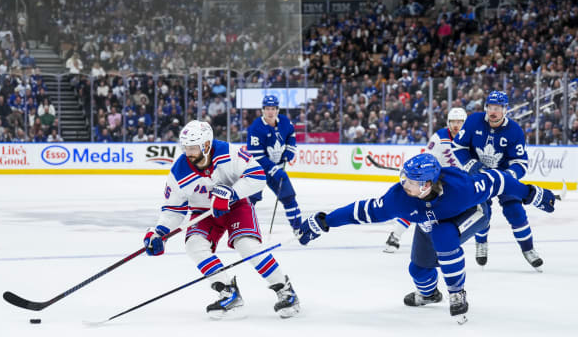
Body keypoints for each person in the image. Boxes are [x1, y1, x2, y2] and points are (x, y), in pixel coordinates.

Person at [296, 153, 557, 323]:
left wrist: (531, 193)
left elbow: (499, 180)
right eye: (404, 177)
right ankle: (430, 294)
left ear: (427, 185)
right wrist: (325, 222)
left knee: (444, 236)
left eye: (410, 181)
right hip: (432, 220)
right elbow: (363, 211)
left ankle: (456, 292)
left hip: (474, 212)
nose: (403, 183)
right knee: (418, 269)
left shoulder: (463, 189)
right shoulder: (399, 197)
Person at [143, 120, 300, 319]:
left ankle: (285, 290)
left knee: (247, 246)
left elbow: (258, 176)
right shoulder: (178, 172)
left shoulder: (229, 153)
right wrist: (159, 232)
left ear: (207, 145)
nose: (188, 152)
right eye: (185, 147)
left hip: (237, 206)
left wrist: (231, 193)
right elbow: (173, 209)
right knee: (194, 246)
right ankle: (228, 291)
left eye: (193, 148)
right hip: (204, 212)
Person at [452, 91, 542, 270]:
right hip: (479, 175)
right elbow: (458, 146)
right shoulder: (474, 121)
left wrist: (508, 176)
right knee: (481, 212)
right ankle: (481, 243)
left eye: (497, 108)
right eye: (490, 108)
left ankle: (528, 249)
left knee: (515, 211)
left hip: (503, 177)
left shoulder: (514, 130)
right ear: (486, 108)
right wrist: (472, 165)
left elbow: (520, 163)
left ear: (505, 110)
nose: (493, 112)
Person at [384, 107, 467, 253]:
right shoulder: (439, 137)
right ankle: (395, 235)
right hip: (438, 181)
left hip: (457, 184)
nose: (456, 125)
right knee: (416, 206)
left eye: (460, 122)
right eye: (453, 121)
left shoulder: (471, 138)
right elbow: (428, 159)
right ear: (448, 122)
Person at [246, 95, 301, 234]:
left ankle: (298, 229)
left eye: (273, 109)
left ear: (277, 110)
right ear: (263, 110)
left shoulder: (284, 121)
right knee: (250, 199)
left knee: (288, 197)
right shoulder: (256, 128)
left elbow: (291, 135)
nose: (270, 112)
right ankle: (242, 227)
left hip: (277, 168)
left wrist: (290, 149)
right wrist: (274, 170)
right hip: (257, 170)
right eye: (267, 109)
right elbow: (257, 156)